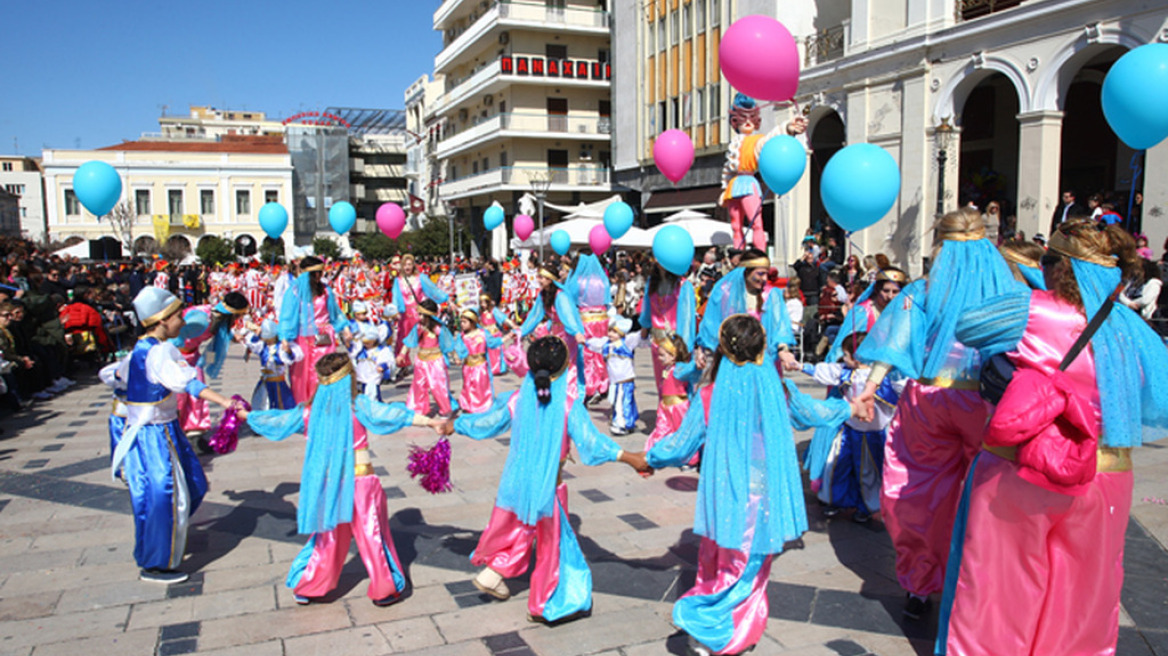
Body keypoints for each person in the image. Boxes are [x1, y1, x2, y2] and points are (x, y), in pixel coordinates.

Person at [939, 219, 1168, 655]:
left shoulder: (1033, 309)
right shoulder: (1134, 331)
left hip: (1019, 468)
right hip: (1105, 477)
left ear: (1060, 268)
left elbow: (969, 327)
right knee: (1085, 597)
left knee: (998, 589)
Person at [647, 315, 860, 656]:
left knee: (720, 555)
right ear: (762, 349)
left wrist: (650, 458)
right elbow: (813, 412)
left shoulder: (708, 394)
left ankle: (718, 624)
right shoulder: (777, 388)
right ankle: (716, 625)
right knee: (748, 562)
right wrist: (849, 405)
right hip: (759, 488)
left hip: (721, 487)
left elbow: (681, 445)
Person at [853, 207, 1018, 620]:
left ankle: (920, 584)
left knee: (918, 493)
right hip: (987, 404)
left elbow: (893, 343)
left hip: (929, 401)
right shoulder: (1008, 290)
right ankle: (980, 583)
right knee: (990, 496)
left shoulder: (925, 290)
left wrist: (870, 389)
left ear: (940, 245)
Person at [443, 336, 649, 623]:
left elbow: (486, 422)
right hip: (549, 487)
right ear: (565, 368)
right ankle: (545, 602)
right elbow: (592, 444)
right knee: (551, 545)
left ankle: (494, 572)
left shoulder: (517, 399)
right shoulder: (567, 405)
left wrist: (457, 424)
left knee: (524, 530)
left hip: (518, 482)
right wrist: (630, 457)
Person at [247, 352, 444, 606]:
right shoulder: (359, 406)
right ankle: (384, 588)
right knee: (372, 535)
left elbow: (277, 420)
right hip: (361, 482)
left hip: (328, 485)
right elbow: (394, 415)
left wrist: (245, 416)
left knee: (327, 537)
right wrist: (431, 422)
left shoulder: (310, 413)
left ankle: (310, 585)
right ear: (348, 377)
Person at [112, 287, 244, 583]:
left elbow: (117, 376)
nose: (182, 323)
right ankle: (156, 563)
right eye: (175, 318)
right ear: (161, 320)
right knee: (165, 495)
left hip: (166, 429)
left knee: (193, 484)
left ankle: (166, 536)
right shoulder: (158, 352)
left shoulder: (145, 348)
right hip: (154, 433)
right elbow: (188, 384)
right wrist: (225, 402)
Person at [803, 332, 905, 522]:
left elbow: (905, 386)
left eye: (846, 355)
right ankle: (837, 500)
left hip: (874, 434)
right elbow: (825, 372)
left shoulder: (886, 378)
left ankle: (868, 507)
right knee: (836, 465)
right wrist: (800, 366)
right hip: (848, 431)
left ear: (857, 357)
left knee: (869, 472)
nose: (843, 358)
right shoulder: (847, 372)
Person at [719, 93, 807, 250]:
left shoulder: (756, 140)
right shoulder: (734, 143)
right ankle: (738, 253)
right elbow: (728, 169)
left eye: (751, 117)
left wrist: (787, 127)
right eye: (742, 117)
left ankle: (760, 254)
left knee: (756, 222)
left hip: (748, 183)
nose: (747, 122)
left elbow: (769, 139)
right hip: (734, 186)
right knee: (735, 225)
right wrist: (724, 188)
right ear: (735, 121)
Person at [173, 291, 249, 450]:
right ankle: (174, 435)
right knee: (179, 398)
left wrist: (233, 337)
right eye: (238, 316)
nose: (237, 320)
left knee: (198, 396)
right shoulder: (201, 320)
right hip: (177, 360)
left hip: (192, 357)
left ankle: (195, 434)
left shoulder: (217, 318)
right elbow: (175, 336)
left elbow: (220, 332)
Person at [639, 260, 698, 449]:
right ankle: (664, 427)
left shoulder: (684, 286)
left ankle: (681, 429)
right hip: (657, 345)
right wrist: (645, 326)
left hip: (676, 343)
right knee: (662, 386)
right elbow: (647, 309)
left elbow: (688, 318)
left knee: (679, 387)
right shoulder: (652, 283)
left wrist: (684, 347)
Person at [280, 257, 349, 404]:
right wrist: (285, 338)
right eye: (315, 273)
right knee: (303, 375)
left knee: (326, 371)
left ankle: (326, 405)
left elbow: (335, 313)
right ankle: (304, 406)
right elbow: (287, 316)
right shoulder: (294, 292)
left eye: (320, 272)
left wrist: (345, 328)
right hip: (303, 339)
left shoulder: (326, 291)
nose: (318, 276)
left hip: (324, 338)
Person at [584, 314, 646, 435]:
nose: (611, 334)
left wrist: (646, 325)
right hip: (616, 381)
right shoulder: (606, 344)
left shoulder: (627, 342)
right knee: (625, 401)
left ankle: (621, 424)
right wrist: (583, 340)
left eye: (614, 332)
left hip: (624, 379)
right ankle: (629, 422)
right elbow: (594, 343)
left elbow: (639, 336)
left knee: (621, 402)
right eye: (610, 331)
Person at [570, 253, 612, 405]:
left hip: (586, 320)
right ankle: (603, 383)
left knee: (587, 355)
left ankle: (589, 386)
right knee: (600, 353)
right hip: (602, 319)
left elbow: (570, 300)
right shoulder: (602, 280)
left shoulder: (578, 280)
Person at [402, 299, 455, 417]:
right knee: (418, 385)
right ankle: (418, 409)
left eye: (421, 314)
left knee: (438, 386)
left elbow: (447, 342)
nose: (419, 317)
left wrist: (454, 355)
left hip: (435, 360)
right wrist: (402, 354)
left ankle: (445, 409)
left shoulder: (437, 328)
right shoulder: (418, 327)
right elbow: (409, 341)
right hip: (421, 361)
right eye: (419, 314)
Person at [449, 308, 502, 414]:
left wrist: (507, 337)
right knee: (468, 386)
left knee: (481, 386)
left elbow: (493, 343)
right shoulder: (462, 336)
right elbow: (457, 348)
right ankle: (469, 406)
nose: (462, 325)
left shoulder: (483, 333)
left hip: (481, 365)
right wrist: (456, 357)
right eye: (461, 322)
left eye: (464, 322)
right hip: (468, 366)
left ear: (472, 322)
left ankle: (483, 405)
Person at [242, 318, 302, 411]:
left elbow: (292, 357)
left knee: (282, 404)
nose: (268, 341)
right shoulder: (262, 346)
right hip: (265, 381)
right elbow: (252, 344)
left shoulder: (280, 347)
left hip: (278, 381)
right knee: (263, 404)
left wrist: (288, 351)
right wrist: (257, 335)